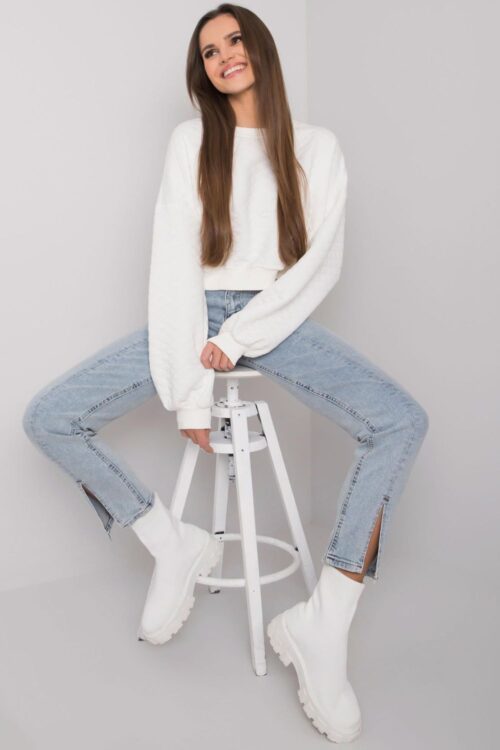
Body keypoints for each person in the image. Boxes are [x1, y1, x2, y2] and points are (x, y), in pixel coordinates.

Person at [22, 3, 429, 744]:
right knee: (50, 417)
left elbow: (321, 261)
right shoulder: (191, 142)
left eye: (235, 40)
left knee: (401, 420)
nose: (225, 56)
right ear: (202, 71)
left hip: (275, 317)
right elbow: (172, 264)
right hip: (194, 315)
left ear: (261, 48)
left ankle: (323, 621)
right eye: (210, 51)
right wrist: (190, 393)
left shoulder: (317, 146)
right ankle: (171, 541)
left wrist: (241, 336)